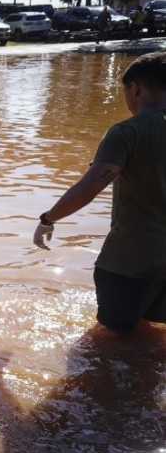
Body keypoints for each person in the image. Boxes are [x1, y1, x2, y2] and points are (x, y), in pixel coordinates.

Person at [33, 52, 166, 333]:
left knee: (112, 341)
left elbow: (91, 186)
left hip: (129, 260)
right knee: (149, 333)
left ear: (135, 88)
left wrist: (48, 219)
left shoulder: (128, 132)